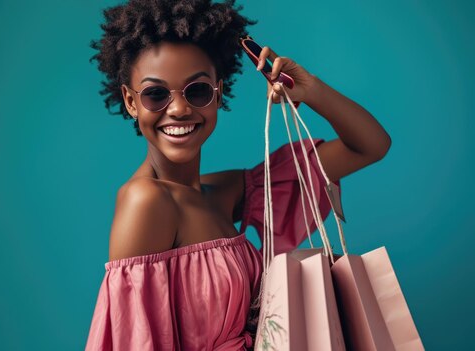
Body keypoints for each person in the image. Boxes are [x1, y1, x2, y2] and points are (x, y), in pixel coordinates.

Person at [85, 1, 391, 350]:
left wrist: (311, 90)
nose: (180, 109)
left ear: (218, 92)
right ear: (130, 101)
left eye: (197, 90)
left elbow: (370, 146)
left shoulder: (222, 192)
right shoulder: (145, 202)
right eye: (155, 94)